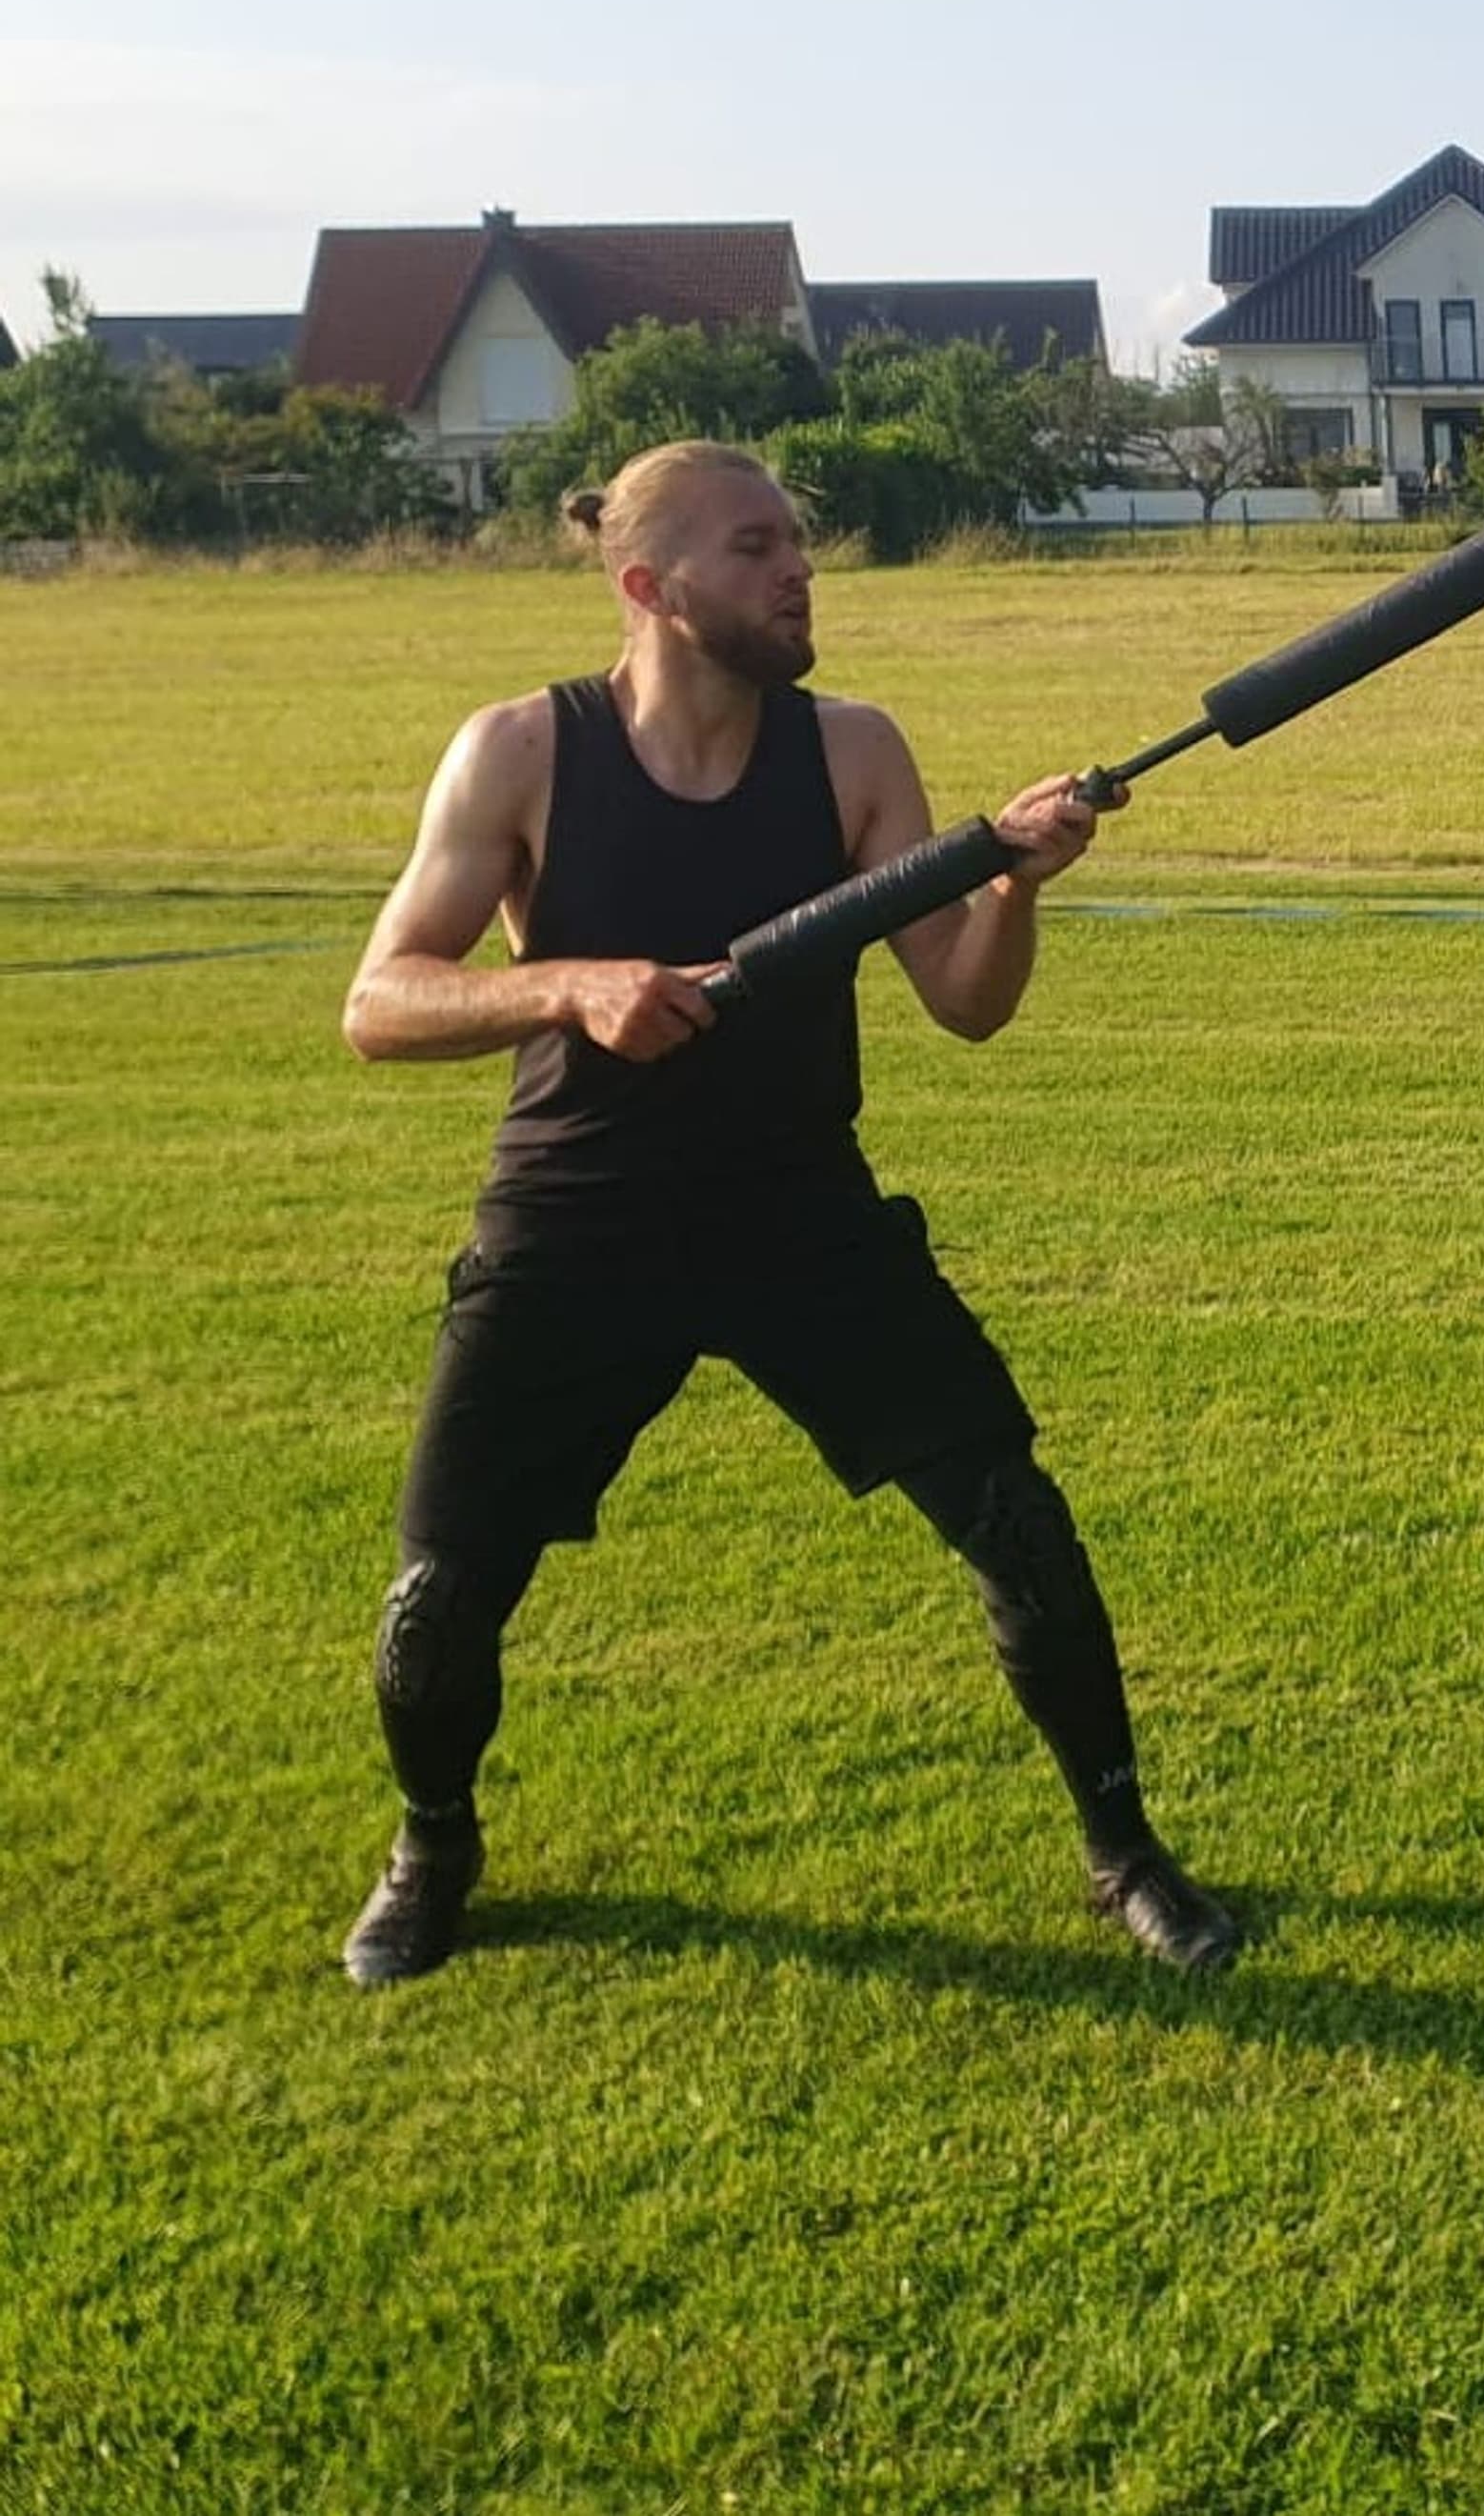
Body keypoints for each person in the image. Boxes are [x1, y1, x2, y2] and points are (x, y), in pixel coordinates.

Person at [335, 439, 1237, 1987]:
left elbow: (962, 1002)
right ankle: (433, 1844)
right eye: (756, 548)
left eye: (797, 543)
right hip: (578, 1218)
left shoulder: (855, 751)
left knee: (1017, 1521)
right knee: (441, 1597)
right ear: (650, 586)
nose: (798, 568)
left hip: (798, 1212)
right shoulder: (520, 753)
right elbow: (379, 999)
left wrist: (1016, 887)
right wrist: (573, 982)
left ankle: (1124, 1851)